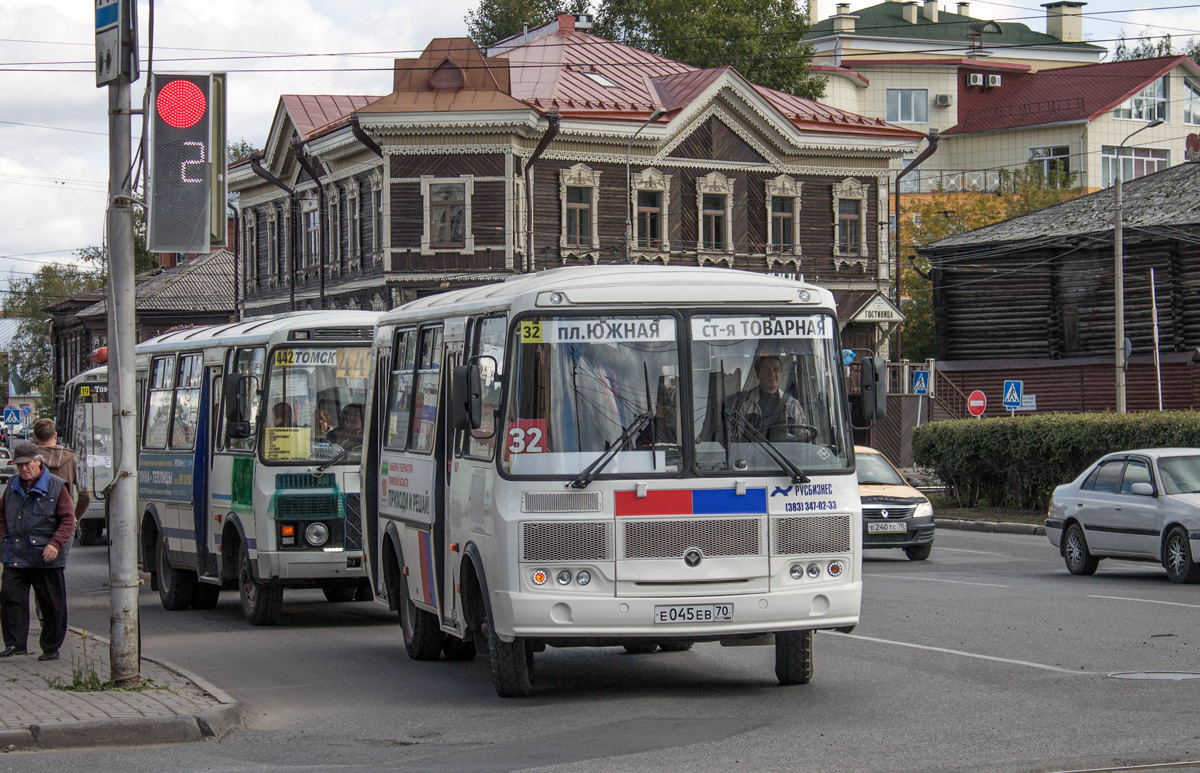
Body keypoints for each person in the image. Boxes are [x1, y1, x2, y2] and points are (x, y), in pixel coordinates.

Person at [0, 443, 76, 660]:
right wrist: (3, 540)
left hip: (46, 556)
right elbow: (1, 514)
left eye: (27, 464)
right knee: (10, 599)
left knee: (52, 604)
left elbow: (67, 520)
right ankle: (15, 644)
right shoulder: (13, 484)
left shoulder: (55, 486)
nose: (24, 469)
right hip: (16, 553)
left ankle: (51, 647)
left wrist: (55, 544)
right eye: (19, 465)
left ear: (38, 461)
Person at [729, 355, 812, 442]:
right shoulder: (744, 403)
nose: (772, 373)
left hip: (784, 455)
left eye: (775, 369)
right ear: (758, 374)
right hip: (751, 455)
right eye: (766, 370)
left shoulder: (792, 405)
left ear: (780, 373)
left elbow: (804, 440)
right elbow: (734, 440)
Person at [32, 418, 90, 521]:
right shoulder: (72, 458)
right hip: (64, 515)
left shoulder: (31, 459)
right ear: (55, 435)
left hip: (36, 516)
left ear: (36, 438)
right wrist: (75, 517)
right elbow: (85, 495)